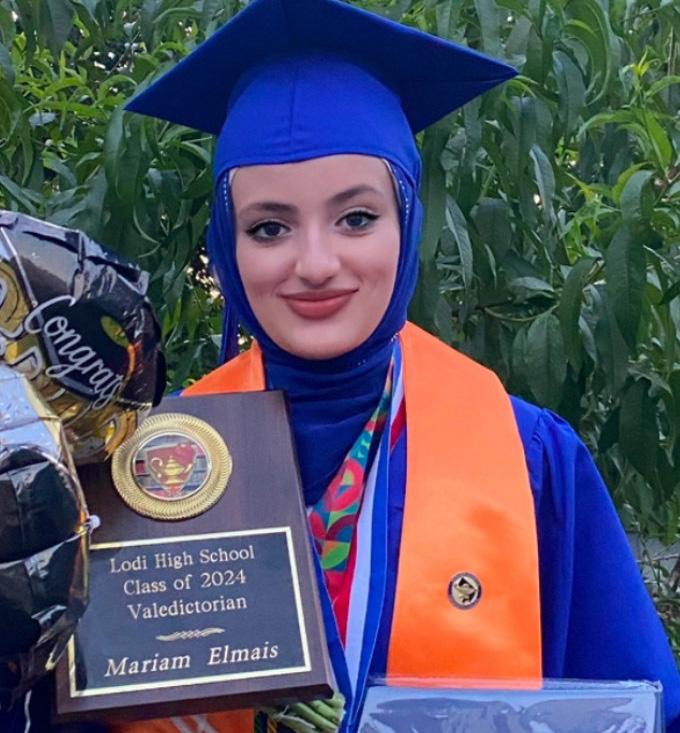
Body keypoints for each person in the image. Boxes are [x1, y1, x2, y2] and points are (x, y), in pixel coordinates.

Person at [17, 0, 680, 731]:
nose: (315, 263)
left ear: (408, 221)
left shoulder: (530, 460)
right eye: (269, 227)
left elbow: (637, 708)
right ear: (227, 246)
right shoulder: (139, 475)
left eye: (356, 218)